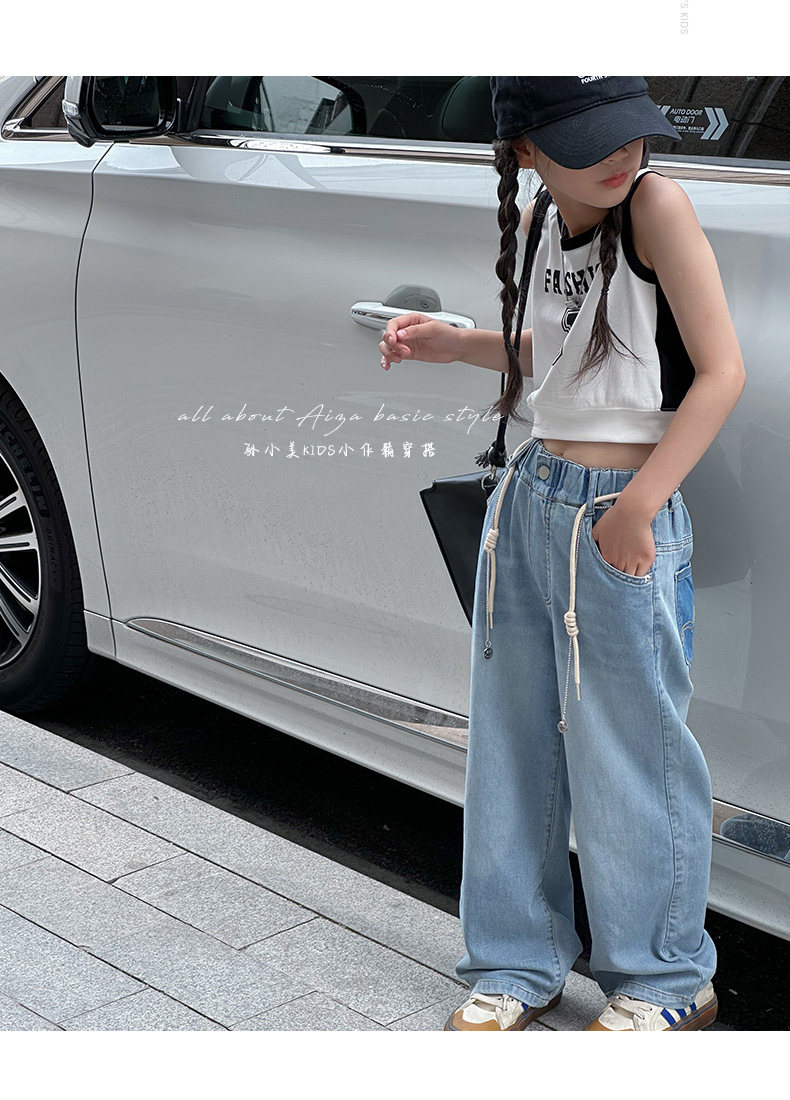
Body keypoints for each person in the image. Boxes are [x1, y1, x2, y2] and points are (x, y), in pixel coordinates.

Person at [379, 77, 746, 1032]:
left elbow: (721, 371)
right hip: (533, 498)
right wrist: (456, 344)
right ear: (528, 152)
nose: (621, 155)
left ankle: (667, 982)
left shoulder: (655, 204)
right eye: (590, 141)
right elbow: (571, 350)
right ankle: (516, 959)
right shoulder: (550, 214)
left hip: (621, 515)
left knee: (634, 757)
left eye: (628, 132)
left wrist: (640, 506)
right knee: (512, 742)